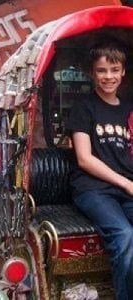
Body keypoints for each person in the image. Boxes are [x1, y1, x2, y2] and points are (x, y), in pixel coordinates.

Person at [67, 43, 133, 300]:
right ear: (92, 74)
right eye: (102, 70)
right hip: (92, 189)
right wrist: (126, 184)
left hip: (125, 186)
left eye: (114, 70)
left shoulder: (129, 108)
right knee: (125, 237)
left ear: (123, 72)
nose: (108, 76)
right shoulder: (84, 107)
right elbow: (84, 159)